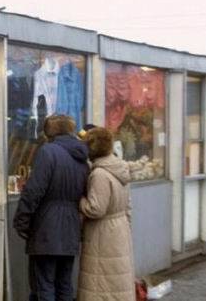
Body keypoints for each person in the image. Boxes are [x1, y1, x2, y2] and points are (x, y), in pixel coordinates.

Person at [13, 115, 89, 301]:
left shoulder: (48, 152)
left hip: (46, 229)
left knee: (43, 286)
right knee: (64, 285)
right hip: (71, 227)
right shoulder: (82, 157)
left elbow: (34, 190)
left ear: (49, 132)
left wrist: (22, 221)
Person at [78, 127, 135, 301]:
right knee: (117, 280)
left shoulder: (99, 174)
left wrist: (80, 200)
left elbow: (96, 209)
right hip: (120, 230)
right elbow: (128, 205)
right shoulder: (120, 168)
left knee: (101, 283)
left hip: (103, 234)